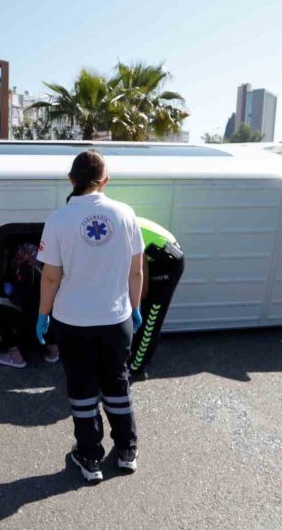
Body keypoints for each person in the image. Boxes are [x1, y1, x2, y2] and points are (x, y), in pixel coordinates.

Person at [36, 150, 144, 482]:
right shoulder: (125, 214)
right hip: (116, 320)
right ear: (105, 181)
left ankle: (90, 457)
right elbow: (136, 271)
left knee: (82, 389)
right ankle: (127, 451)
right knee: (117, 384)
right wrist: (136, 307)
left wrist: (43, 315)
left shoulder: (58, 220)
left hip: (73, 322)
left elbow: (51, 276)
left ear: (71, 179)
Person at [127, 217, 185, 382]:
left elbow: (140, 271)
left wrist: (137, 299)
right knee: (139, 310)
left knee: (150, 317)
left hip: (165, 260)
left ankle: (137, 368)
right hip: (151, 254)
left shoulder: (120, 230)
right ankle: (132, 354)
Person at [0, 243, 59, 368]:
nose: (19, 255)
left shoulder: (26, 270)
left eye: (22, 252)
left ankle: (15, 357)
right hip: (50, 327)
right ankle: (54, 349)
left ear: (27, 255)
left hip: (34, 328)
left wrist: (11, 291)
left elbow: (18, 299)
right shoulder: (45, 269)